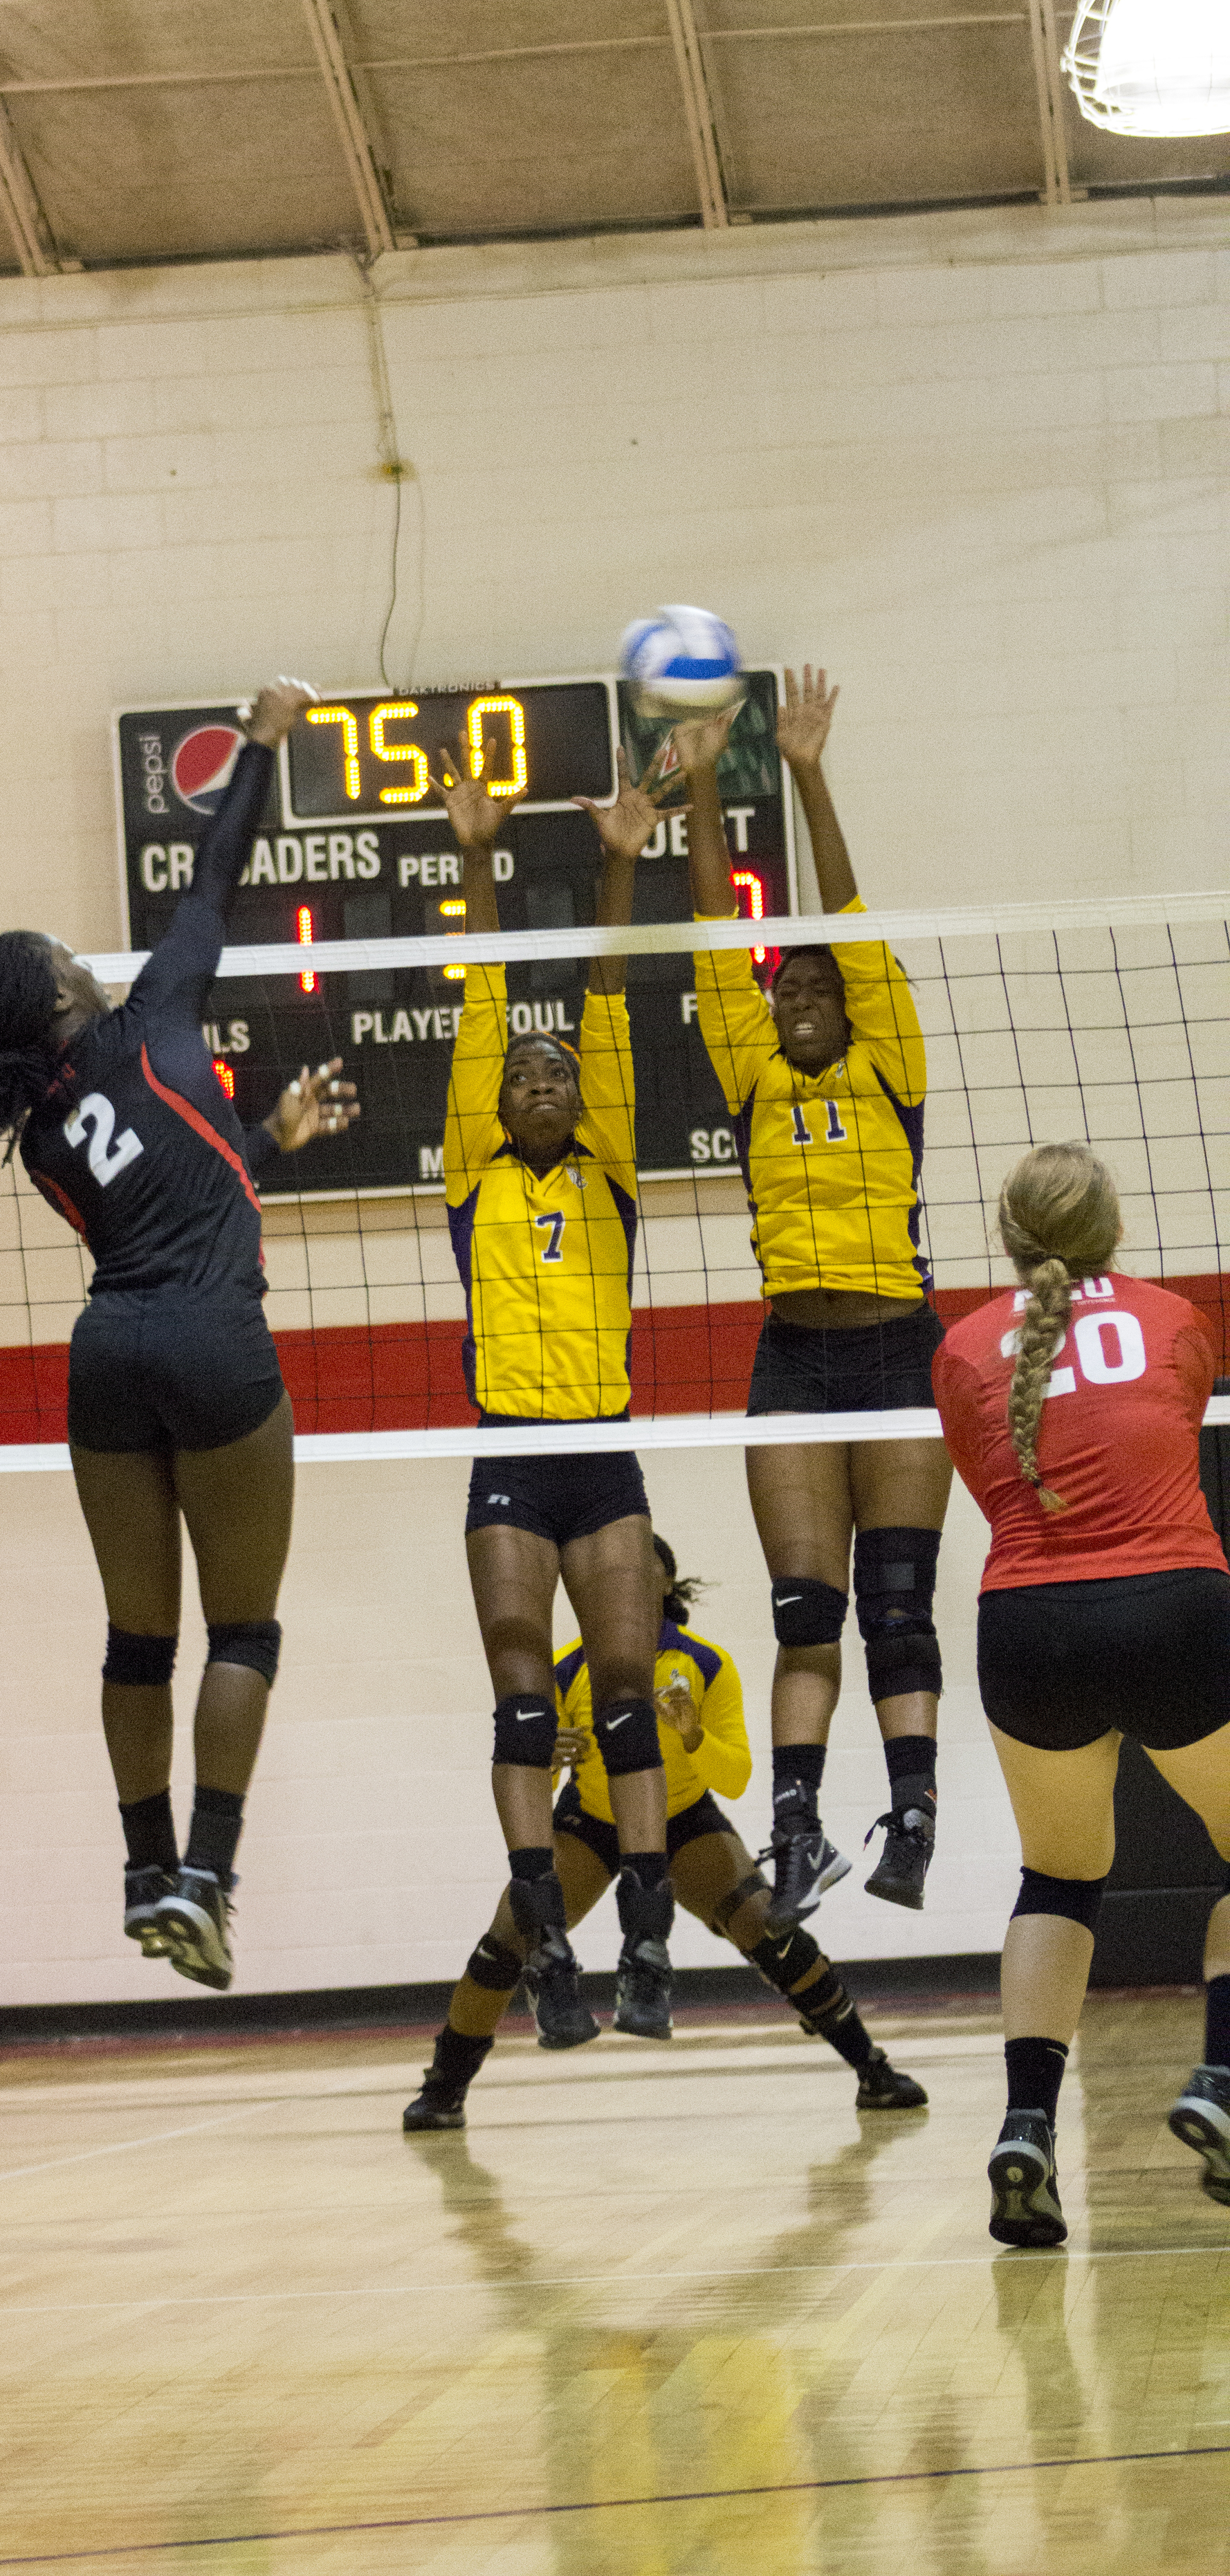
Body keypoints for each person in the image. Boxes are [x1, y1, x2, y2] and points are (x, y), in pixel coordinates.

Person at [0, 679, 359, 1993]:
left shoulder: (42, 1137)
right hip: (216, 1350)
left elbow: (185, 1196)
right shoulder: (156, 1019)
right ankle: (211, 1883)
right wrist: (267, 743)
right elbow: (213, 881)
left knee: (138, 1643)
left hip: (108, 1356)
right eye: (66, 950)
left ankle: (145, 1870)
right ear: (59, 989)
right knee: (246, 1636)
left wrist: (268, 1144)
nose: (83, 952)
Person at [677, 668, 952, 1932]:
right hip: (795, 1357)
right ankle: (797, 1830)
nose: (793, 998)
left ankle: (914, 1822)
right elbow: (712, 949)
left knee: (899, 1605)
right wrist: (696, 797)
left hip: (902, 1353)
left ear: (850, 1005)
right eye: (782, 989)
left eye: (814, 988)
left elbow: (846, 914)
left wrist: (804, 768)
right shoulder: (752, 1076)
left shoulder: (889, 1055)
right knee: (807, 1615)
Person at [933, 1142, 1230, 2245]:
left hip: (1029, 1623)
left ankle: (1025, 2127)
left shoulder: (962, 1349)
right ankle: (1223, 2079)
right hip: (1173, 1604)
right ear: (1112, 1225)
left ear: (1009, 1238)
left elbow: (996, 1473)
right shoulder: (1179, 1319)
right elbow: (1162, 1443)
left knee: (1059, 1875)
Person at [437, 734, 681, 2046]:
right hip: (511, 1458)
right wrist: (475, 861)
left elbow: (606, 997)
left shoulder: (611, 1170)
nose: (538, 1080)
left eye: (557, 1076)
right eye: (522, 1075)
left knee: (630, 1691)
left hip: (605, 1452)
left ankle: (646, 1944)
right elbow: (486, 1002)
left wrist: (619, 865)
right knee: (527, 1699)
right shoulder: (475, 1174)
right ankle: (548, 1948)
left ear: (581, 1103)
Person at [403, 1533, 929, 2128]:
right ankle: (442, 2090)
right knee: (504, 1945)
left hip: (683, 1820)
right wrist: (548, 1760)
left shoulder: (705, 1663)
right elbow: (532, 1787)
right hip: (593, 1821)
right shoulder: (568, 1666)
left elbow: (735, 1778)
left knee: (772, 1933)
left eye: (636, 1572)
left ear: (665, 1584)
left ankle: (873, 2071)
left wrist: (692, 1736)